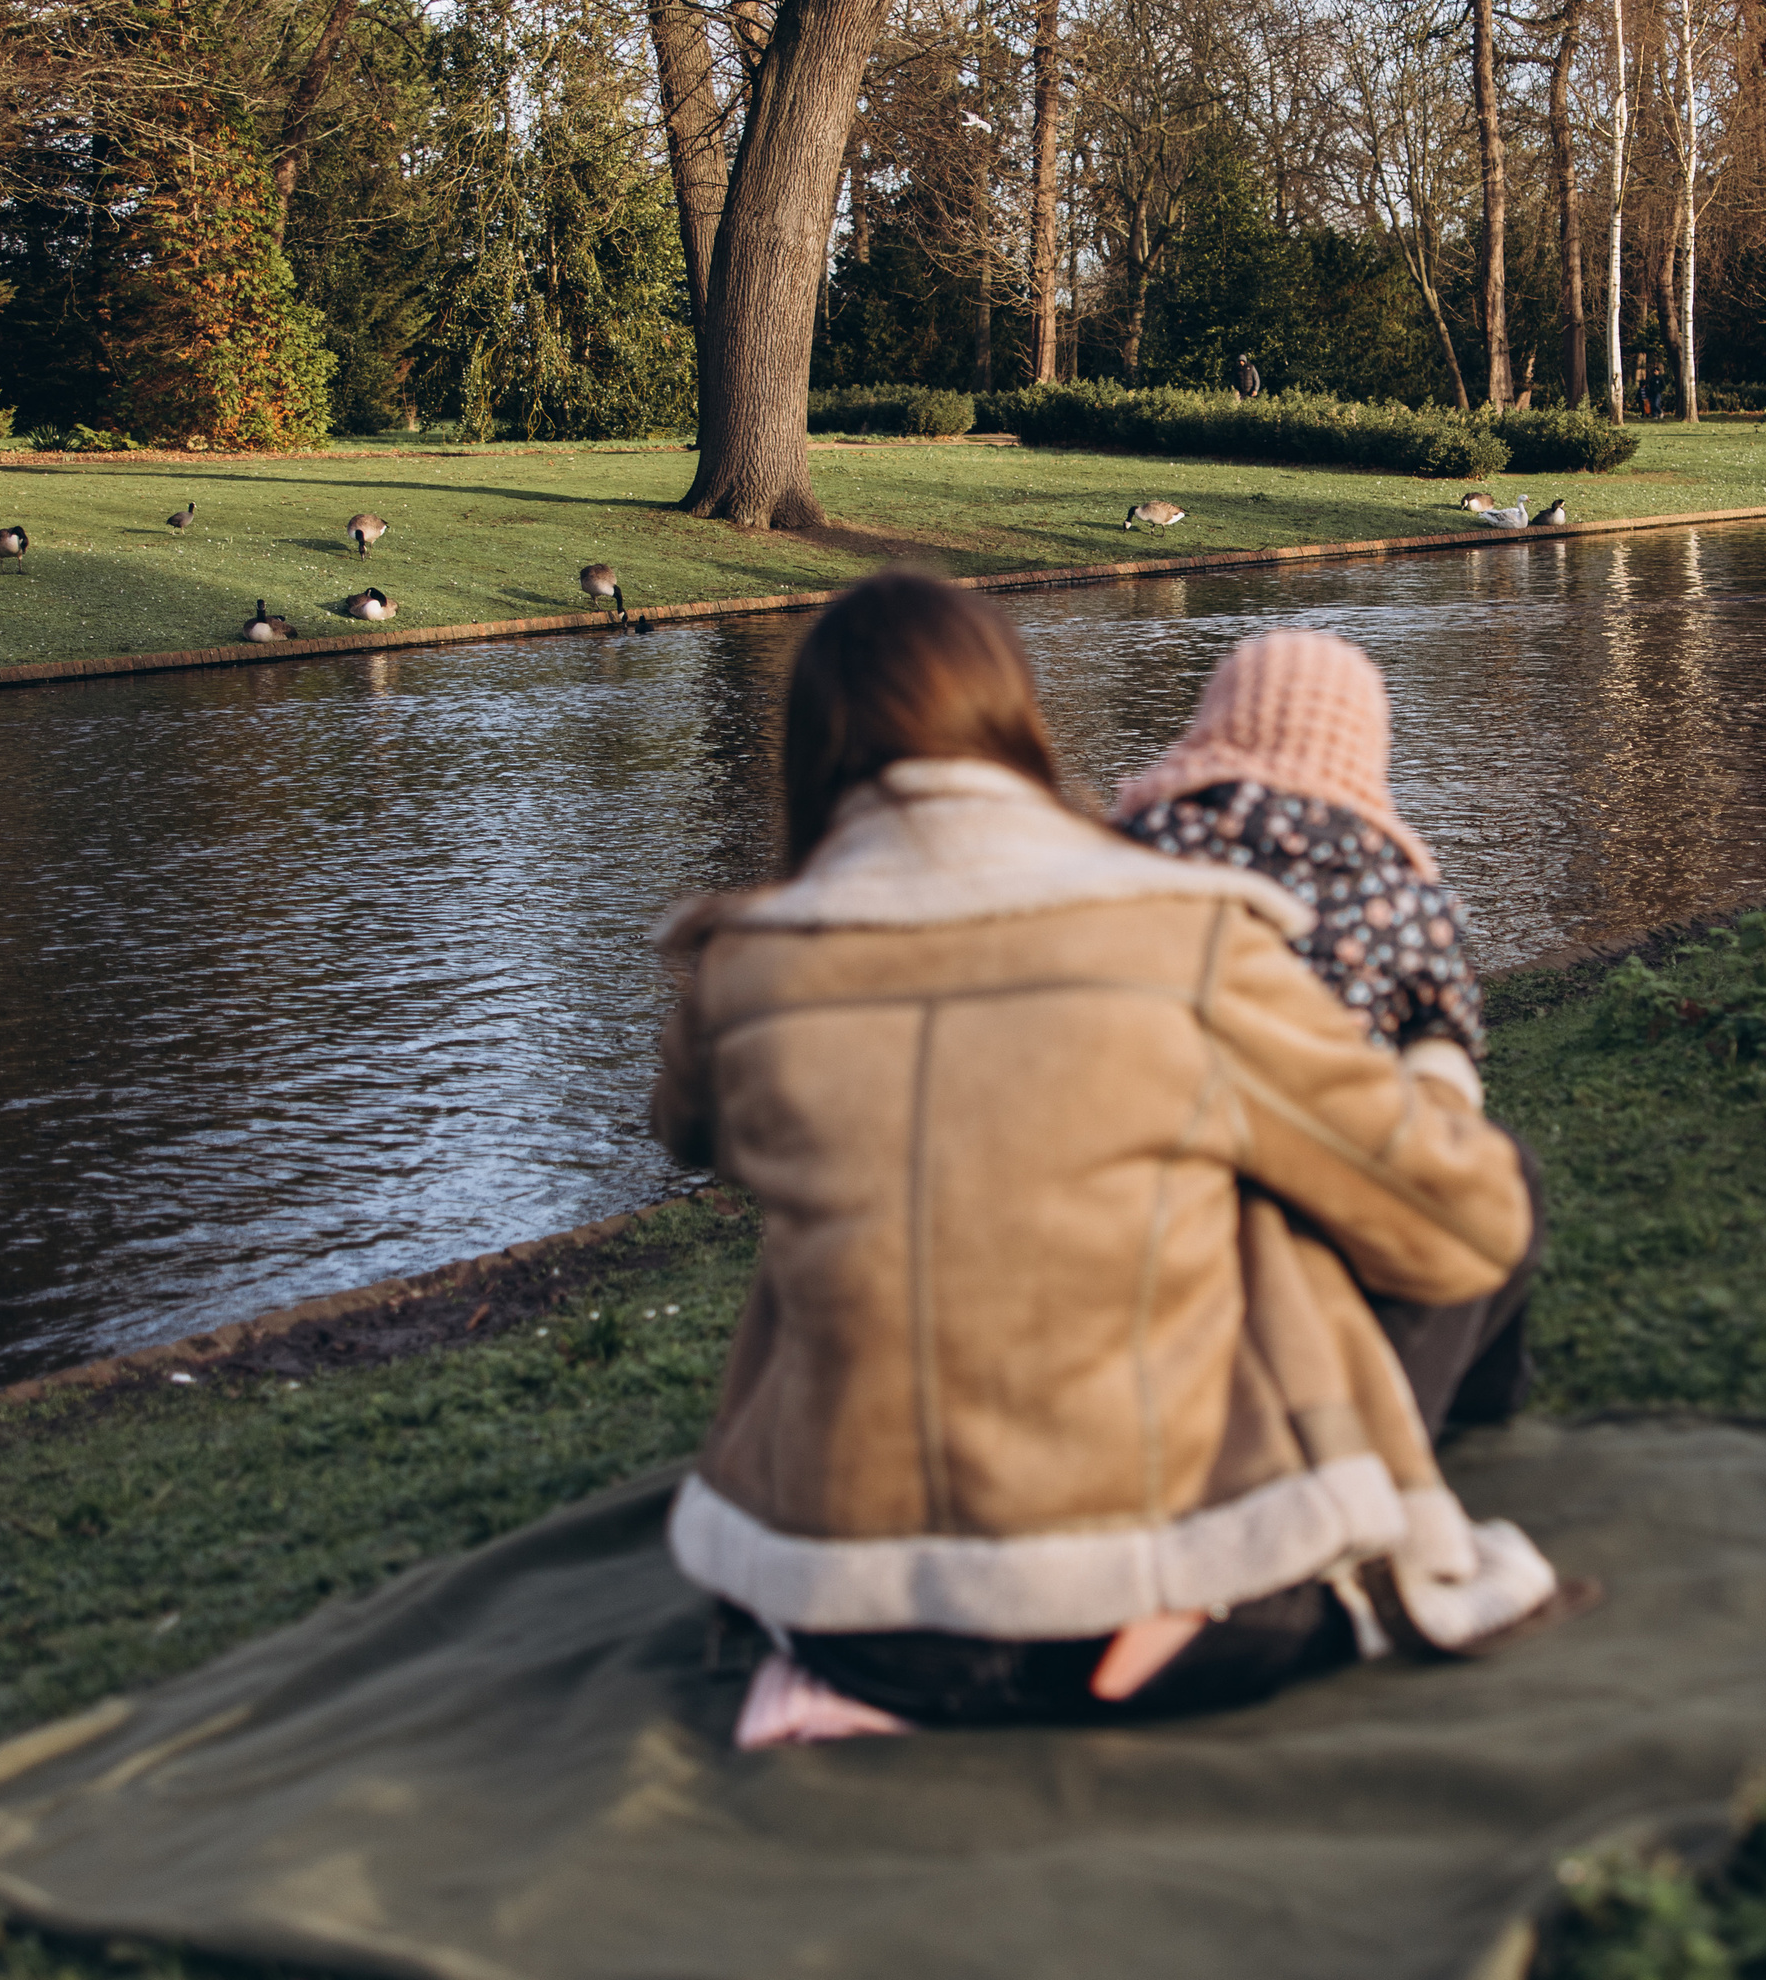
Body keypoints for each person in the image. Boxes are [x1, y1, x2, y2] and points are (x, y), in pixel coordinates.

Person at [648, 574, 1565, 1746]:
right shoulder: (1182, 934)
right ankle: (1229, 1594)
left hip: (847, 1617)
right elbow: (1466, 1222)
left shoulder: (740, 968)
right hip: (1118, 1599)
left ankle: (861, 1680)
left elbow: (689, 1129)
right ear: (1018, 717)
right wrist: (1435, 1064)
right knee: (1447, 1182)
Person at [1112, 630, 1530, 1438]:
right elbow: (1448, 1038)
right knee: (1503, 1183)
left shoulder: (1129, 851)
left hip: (1147, 1188)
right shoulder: (1393, 883)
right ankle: (1427, 1420)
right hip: (1330, 1176)